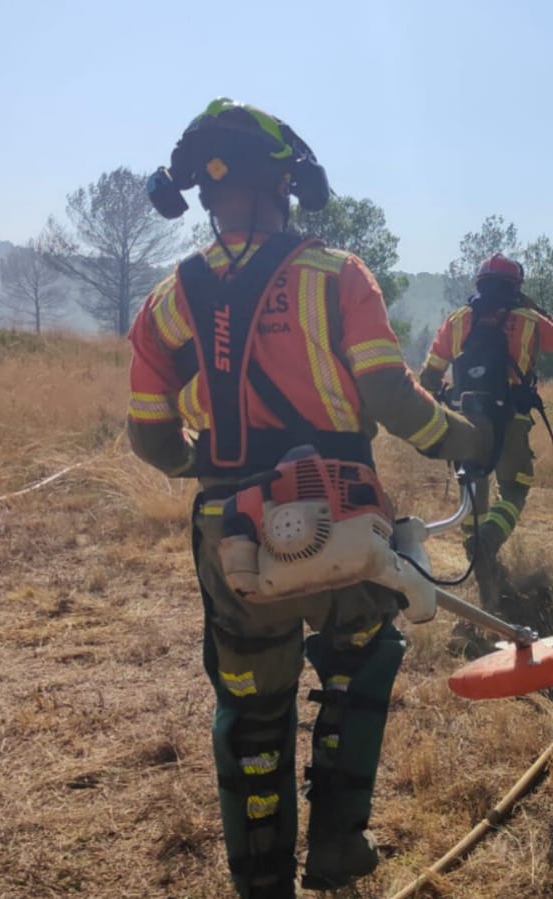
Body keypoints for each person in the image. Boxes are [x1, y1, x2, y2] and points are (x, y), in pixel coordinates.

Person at [126, 98, 490, 899]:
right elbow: (393, 402)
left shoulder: (169, 302)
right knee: (361, 667)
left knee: (253, 711)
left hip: (234, 536)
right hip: (344, 526)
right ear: (289, 183)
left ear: (199, 194)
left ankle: (262, 884)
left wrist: (214, 469)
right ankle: (337, 848)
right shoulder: (337, 275)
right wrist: (468, 440)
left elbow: (151, 440)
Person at [418, 253, 553, 563]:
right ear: (515, 287)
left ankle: (475, 556)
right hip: (510, 417)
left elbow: (430, 373)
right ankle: (488, 542)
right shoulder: (529, 320)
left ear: (480, 283)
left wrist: (439, 402)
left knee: (473, 488)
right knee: (515, 486)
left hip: (465, 419)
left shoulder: (458, 319)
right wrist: (534, 307)